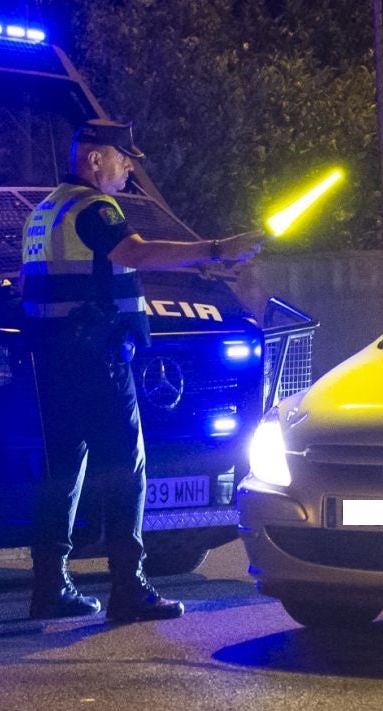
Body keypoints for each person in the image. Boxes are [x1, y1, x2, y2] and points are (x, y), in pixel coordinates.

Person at [21, 119, 263, 621]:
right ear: (94, 160)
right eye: (122, 158)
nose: (128, 168)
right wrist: (216, 247)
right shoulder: (94, 208)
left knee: (61, 472)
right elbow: (133, 251)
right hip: (96, 356)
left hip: (54, 358)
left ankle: (49, 585)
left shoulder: (46, 211)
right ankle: (129, 589)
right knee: (125, 470)